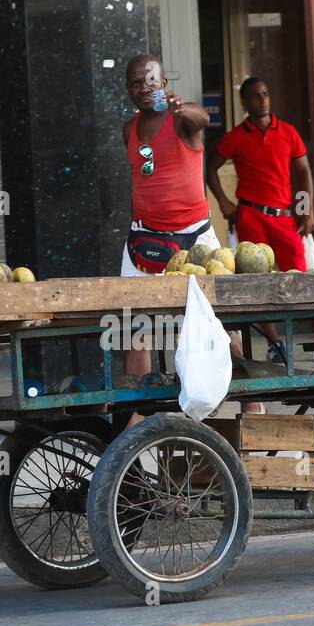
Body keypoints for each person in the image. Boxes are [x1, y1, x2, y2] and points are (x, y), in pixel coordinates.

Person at [119, 53, 216, 384]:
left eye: (150, 80)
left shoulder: (181, 119)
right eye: (136, 82)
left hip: (194, 238)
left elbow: (202, 119)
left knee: (218, 323)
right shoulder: (128, 129)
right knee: (133, 329)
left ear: (163, 82)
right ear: (128, 89)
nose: (144, 87)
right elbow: (145, 171)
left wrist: (184, 109)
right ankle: (137, 420)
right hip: (143, 240)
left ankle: (251, 407)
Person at [207, 77, 314, 365]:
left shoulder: (288, 132)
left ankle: (302, 340)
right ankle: (275, 343)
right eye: (256, 96)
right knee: (257, 280)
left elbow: (304, 170)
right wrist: (223, 201)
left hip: (284, 216)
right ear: (244, 102)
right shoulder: (235, 136)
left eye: (266, 94)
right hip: (251, 215)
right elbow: (211, 167)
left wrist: (307, 208)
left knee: (299, 278)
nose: (263, 100)